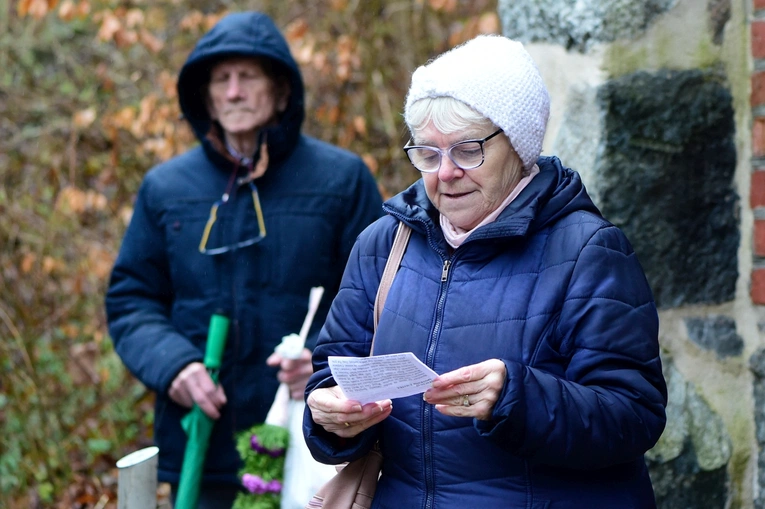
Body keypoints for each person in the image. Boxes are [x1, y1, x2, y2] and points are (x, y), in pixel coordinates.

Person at [303, 34, 668, 508]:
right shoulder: (385, 243)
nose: (445, 173)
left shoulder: (587, 250)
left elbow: (635, 415)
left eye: (467, 150)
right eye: (428, 155)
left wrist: (518, 397)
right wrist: (329, 417)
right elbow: (331, 376)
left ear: (518, 148)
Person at [105, 11, 383, 508]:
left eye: (247, 77)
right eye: (221, 80)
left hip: (314, 440)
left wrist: (324, 362)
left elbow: (382, 299)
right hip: (202, 445)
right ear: (206, 96)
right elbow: (132, 300)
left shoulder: (341, 180)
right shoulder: (166, 188)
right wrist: (174, 366)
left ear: (280, 91)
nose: (233, 92)